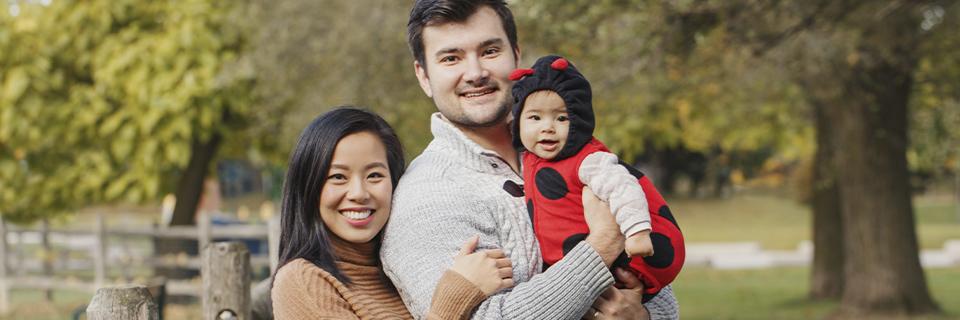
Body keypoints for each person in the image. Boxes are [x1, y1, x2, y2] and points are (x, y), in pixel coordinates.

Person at [380, 1, 680, 319]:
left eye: (490, 51)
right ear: (424, 75)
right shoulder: (425, 200)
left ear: (516, 56)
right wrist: (602, 245)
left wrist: (643, 316)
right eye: (451, 58)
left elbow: (655, 286)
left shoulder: (566, 147)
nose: (476, 73)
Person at [271, 107, 515, 319]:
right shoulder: (302, 281)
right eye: (338, 177)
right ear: (309, 186)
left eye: (374, 175)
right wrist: (453, 300)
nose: (359, 193)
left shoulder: (403, 268)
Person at [510, 55, 685, 302]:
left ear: (579, 119)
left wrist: (637, 232)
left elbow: (623, 188)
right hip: (572, 269)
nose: (547, 127)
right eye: (535, 118)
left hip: (621, 261)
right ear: (518, 121)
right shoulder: (529, 159)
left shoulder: (589, 160)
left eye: (562, 118)